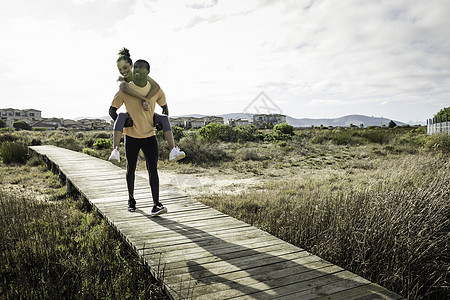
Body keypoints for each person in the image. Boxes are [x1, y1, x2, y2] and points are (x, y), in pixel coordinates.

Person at [109, 58, 166, 215]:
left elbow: (165, 109)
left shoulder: (156, 90)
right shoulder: (125, 89)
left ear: (148, 72)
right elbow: (112, 110)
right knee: (131, 169)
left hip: (150, 137)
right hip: (132, 137)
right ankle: (131, 200)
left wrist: (160, 125)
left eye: (142, 68)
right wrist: (122, 123)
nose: (138, 71)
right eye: (136, 68)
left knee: (153, 169)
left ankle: (156, 204)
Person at [108, 48, 185, 163]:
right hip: (132, 121)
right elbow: (124, 92)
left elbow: (157, 87)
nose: (123, 71)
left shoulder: (143, 78)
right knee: (121, 116)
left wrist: (150, 104)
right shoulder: (124, 84)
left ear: (131, 66)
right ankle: (115, 151)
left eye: (125, 68)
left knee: (163, 118)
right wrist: (144, 100)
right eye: (120, 69)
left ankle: (173, 150)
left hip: (148, 124)